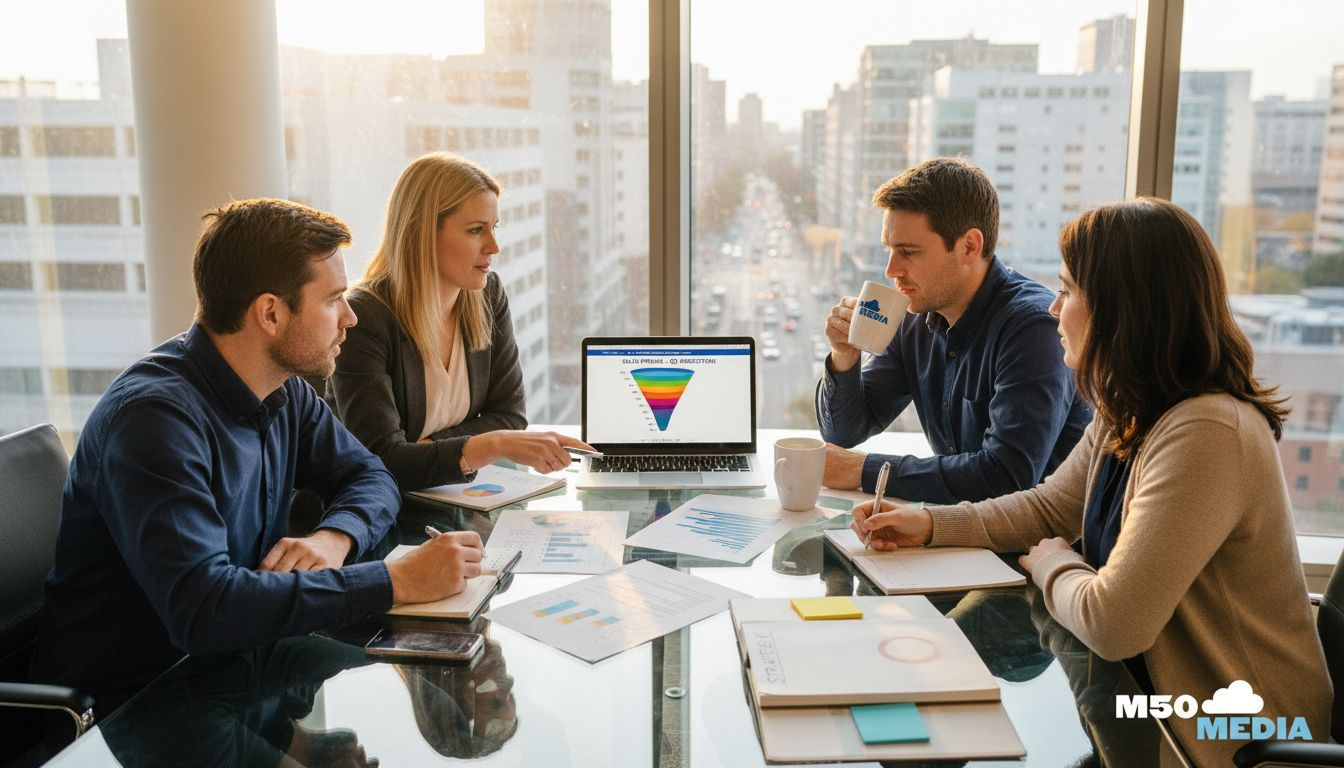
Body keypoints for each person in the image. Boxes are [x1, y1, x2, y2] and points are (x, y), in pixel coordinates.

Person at [851, 197, 1331, 764]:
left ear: (1125, 310)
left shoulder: (1208, 431)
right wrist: (929, 523)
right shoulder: (1133, 407)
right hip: (1152, 715)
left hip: (1233, 740)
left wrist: (1054, 562)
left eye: (1071, 290)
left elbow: (1114, 622)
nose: (1055, 308)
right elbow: (1050, 509)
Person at [32, 198, 485, 716]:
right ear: (270, 312)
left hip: (233, 680)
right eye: (334, 299)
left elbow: (369, 473)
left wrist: (334, 537)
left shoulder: (281, 388)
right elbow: (203, 610)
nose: (350, 317)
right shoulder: (153, 422)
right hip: (127, 713)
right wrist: (394, 581)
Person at [816, 157, 1090, 503]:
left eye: (908, 252)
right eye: (889, 249)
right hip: (963, 531)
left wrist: (864, 470)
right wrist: (845, 355)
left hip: (1032, 547)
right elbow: (844, 432)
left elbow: (1007, 477)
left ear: (969, 247)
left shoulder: (1033, 330)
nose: (891, 270)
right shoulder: (916, 318)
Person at [328, 152, 592, 491]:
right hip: (385, 511)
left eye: (493, 228)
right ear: (420, 233)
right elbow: (382, 461)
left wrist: (431, 448)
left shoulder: (487, 295)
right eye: (476, 230)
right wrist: (490, 444)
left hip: (455, 495)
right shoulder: (364, 318)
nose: (494, 246)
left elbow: (510, 416)